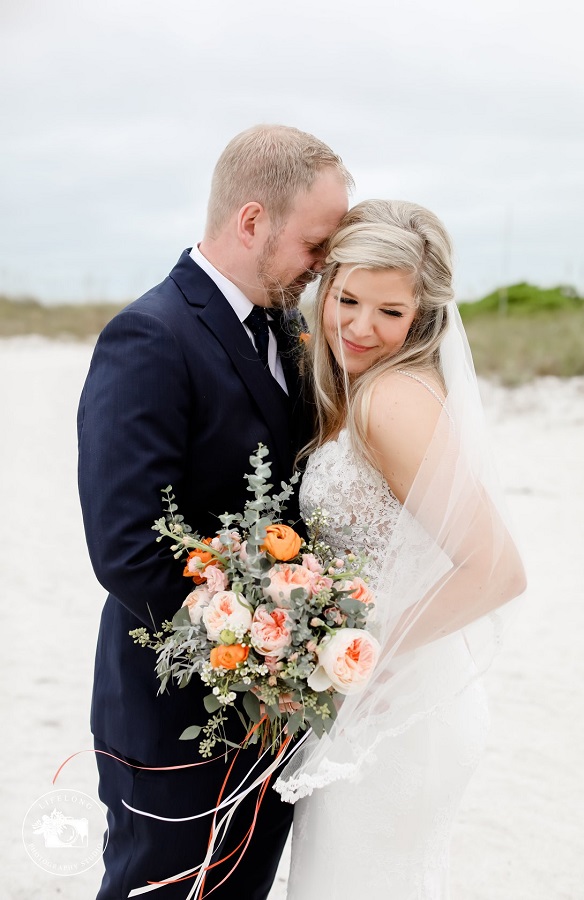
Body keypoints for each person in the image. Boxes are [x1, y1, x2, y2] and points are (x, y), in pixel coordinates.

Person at [77, 124, 352, 899]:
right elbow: (128, 547)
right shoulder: (149, 337)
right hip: (173, 714)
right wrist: (262, 654)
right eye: (316, 244)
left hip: (278, 721)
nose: (322, 267)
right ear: (253, 220)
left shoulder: (294, 332)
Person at [274, 200, 527, 897]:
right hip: (394, 698)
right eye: (347, 299)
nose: (358, 326)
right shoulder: (368, 388)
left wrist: (370, 656)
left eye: (389, 312)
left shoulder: (392, 400)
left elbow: (498, 569)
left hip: (396, 714)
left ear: (422, 315)